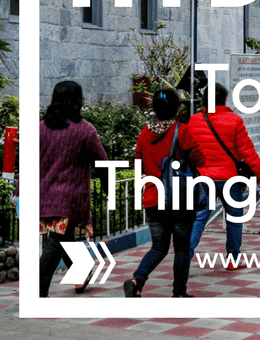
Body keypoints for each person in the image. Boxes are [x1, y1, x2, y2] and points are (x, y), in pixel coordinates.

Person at [183, 83, 260, 267]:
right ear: (224, 99)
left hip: (203, 179)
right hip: (230, 179)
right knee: (234, 218)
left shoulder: (194, 120)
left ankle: (184, 257)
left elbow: (188, 149)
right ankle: (233, 259)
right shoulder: (234, 120)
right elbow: (247, 152)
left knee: (199, 218)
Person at [123, 89, 196, 298]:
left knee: (159, 246)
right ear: (176, 110)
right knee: (182, 247)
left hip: (153, 198)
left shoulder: (144, 133)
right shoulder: (182, 131)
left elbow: (138, 164)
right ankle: (179, 292)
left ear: (154, 108)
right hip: (180, 198)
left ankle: (137, 280)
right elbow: (199, 159)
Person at [39, 80, 107, 297]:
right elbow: (102, 164)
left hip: (45, 196)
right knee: (57, 241)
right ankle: (37, 290)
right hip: (71, 198)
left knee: (62, 237)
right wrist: (109, 190)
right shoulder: (85, 131)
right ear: (78, 101)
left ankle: (82, 273)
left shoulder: (40, 128)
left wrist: (19, 193)